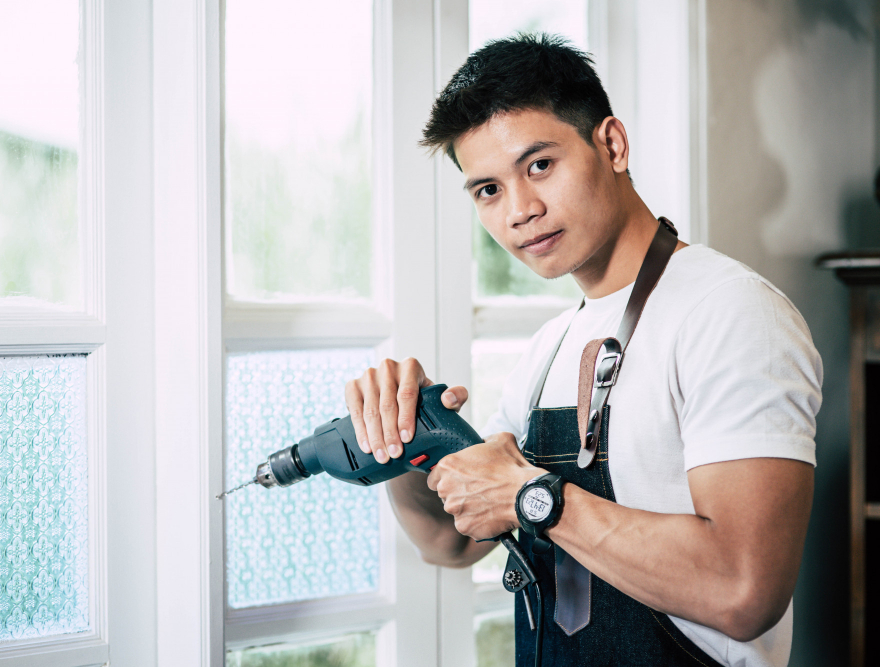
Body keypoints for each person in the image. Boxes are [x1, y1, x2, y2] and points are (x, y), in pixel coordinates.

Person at [345, 34, 822, 666]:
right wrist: (403, 444)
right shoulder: (549, 347)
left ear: (613, 145)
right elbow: (448, 541)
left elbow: (744, 589)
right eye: (487, 190)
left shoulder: (732, 313)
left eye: (539, 165)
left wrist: (530, 496)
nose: (521, 210)